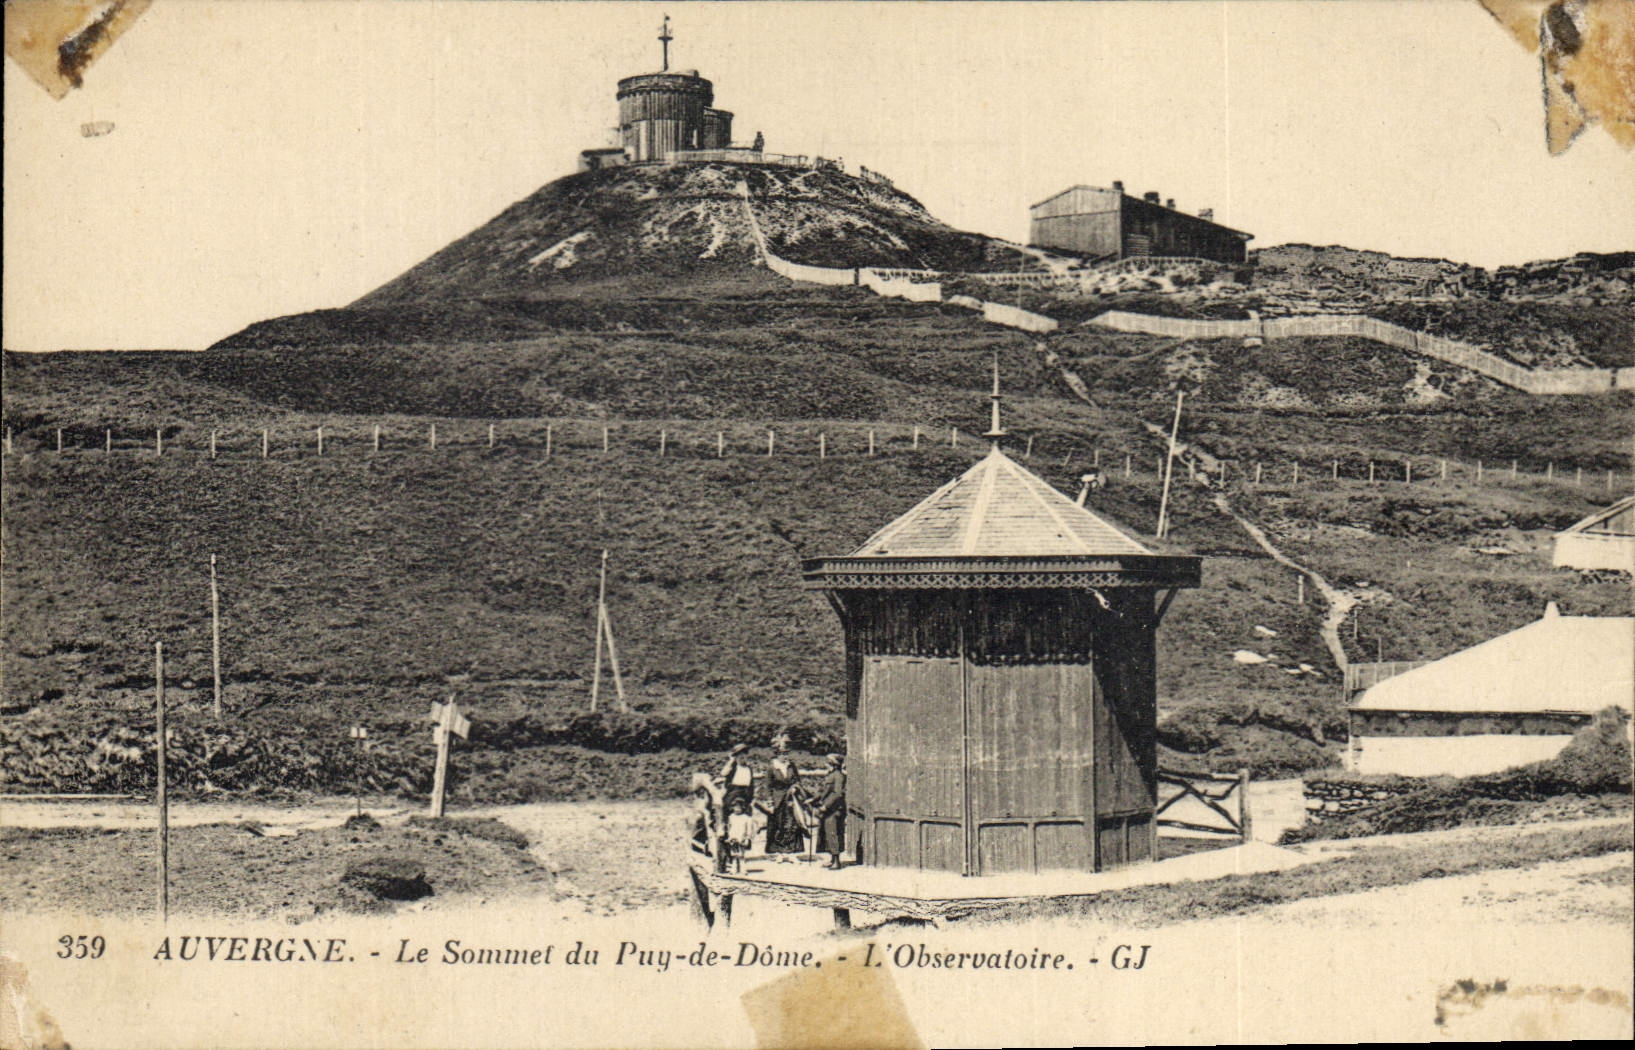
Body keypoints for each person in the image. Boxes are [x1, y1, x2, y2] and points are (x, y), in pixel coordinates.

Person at [761, 731, 806, 860]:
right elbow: (767, 786)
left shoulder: (791, 766)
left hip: (791, 799)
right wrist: (770, 801)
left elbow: (797, 780)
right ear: (777, 754)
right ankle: (779, 853)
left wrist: (795, 788)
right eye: (782, 754)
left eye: (786, 753)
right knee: (778, 825)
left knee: (792, 824)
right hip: (778, 799)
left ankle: (791, 853)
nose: (785, 756)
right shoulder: (772, 767)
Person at [812, 753, 847, 869]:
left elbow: (837, 793)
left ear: (833, 764)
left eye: (828, 762)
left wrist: (826, 806)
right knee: (827, 833)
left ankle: (837, 861)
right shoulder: (831, 775)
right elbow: (824, 791)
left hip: (834, 809)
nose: (826, 764)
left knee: (833, 833)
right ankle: (832, 859)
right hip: (829, 809)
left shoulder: (838, 776)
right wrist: (813, 799)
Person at [719, 743, 755, 817]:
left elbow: (751, 784)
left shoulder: (748, 769)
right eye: (739, 755)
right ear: (736, 756)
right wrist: (731, 761)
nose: (742, 757)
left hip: (746, 793)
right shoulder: (733, 767)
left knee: (747, 812)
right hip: (734, 792)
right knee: (727, 808)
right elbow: (723, 773)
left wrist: (751, 797)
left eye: (744, 754)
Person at [725, 798, 756, 874]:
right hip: (733, 838)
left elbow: (749, 829)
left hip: (742, 838)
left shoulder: (746, 818)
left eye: (739, 807)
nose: (737, 809)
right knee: (734, 854)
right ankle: (734, 869)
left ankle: (743, 869)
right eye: (735, 807)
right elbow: (729, 827)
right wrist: (729, 837)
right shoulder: (731, 817)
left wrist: (748, 838)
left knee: (741, 854)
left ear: (742, 807)